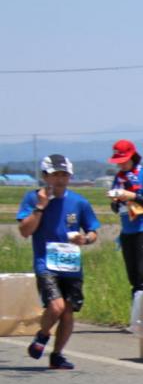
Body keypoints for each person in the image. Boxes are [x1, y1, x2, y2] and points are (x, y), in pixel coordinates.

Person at [16, 155, 100, 370]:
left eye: (64, 174)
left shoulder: (79, 202)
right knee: (56, 306)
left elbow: (92, 230)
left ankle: (57, 355)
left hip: (70, 263)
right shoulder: (32, 198)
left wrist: (86, 239)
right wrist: (40, 207)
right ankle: (42, 336)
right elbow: (25, 231)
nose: (59, 179)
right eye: (55, 175)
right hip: (46, 262)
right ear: (45, 176)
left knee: (68, 311)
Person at [108, 139, 143, 297]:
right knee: (134, 280)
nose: (121, 165)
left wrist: (133, 196)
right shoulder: (119, 178)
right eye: (119, 162)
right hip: (127, 232)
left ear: (133, 157)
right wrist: (115, 202)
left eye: (124, 161)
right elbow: (116, 208)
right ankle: (137, 317)